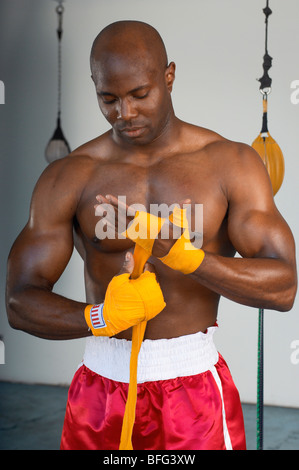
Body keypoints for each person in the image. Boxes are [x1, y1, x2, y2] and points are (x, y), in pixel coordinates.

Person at [6, 20, 297, 451]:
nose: (124, 113)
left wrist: (188, 258)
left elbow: (284, 287)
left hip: (191, 390)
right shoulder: (69, 175)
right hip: (100, 387)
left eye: (139, 95)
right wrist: (99, 318)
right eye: (108, 98)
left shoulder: (230, 164)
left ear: (169, 76)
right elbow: (19, 301)